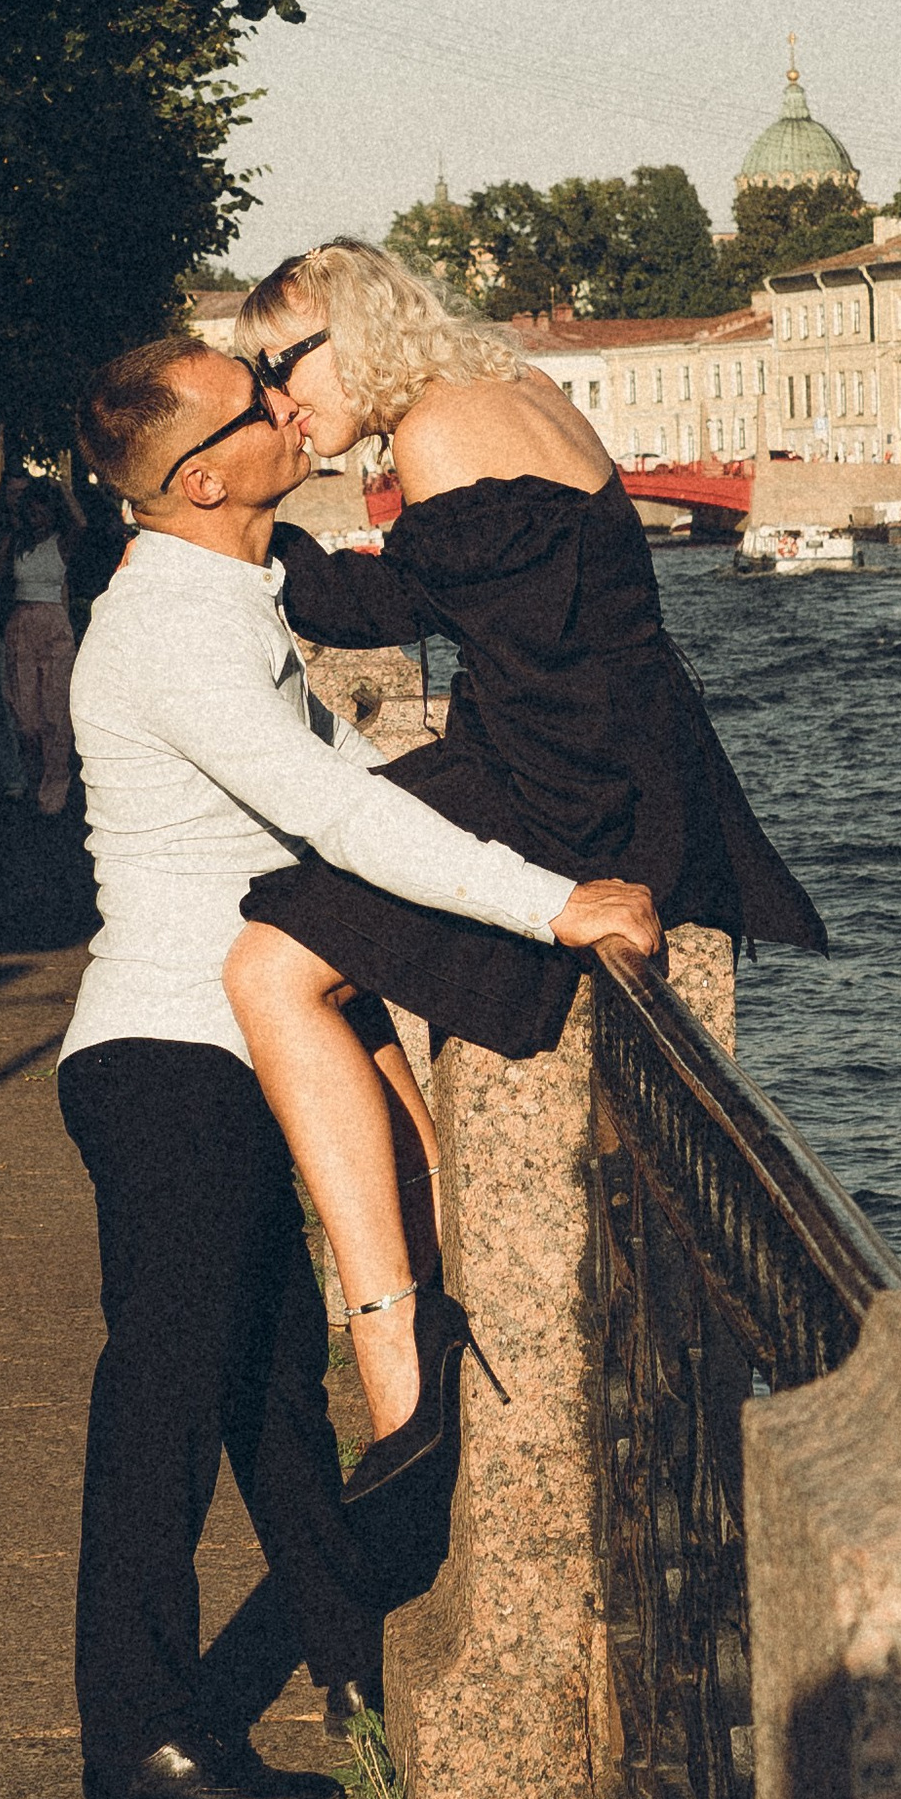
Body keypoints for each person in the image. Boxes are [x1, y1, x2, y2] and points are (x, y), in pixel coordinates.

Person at [58, 333, 660, 1799]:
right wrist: (554, 903)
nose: (285, 403)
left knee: (265, 1397)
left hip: (213, 1051)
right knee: (169, 1393)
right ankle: (134, 1735)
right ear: (206, 477)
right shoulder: (174, 632)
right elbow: (335, 814)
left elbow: (374, 785)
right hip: (169, 1058)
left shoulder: (223, 598)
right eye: (256, 401)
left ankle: (354, 1666)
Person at [225, 240, 825, 1499]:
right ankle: (427, 1259)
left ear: (349, 334)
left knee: (275, 963)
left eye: (277, 369)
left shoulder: (443, 429)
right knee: (310, 923)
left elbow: (373, 616)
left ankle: (402, 1340)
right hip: (601, 752)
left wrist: (231, 521)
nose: (278, 403)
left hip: (574, 783)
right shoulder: (507, 395)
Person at [0, 473, 79, 813]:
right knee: (25, 719)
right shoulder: (15, 544)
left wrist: (62, 488)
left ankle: (54, 791)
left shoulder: (61, 542)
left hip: (53, 628)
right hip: (21, 628)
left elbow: (80, 523)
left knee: (55, 714)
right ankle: (35, 778)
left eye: (42, 512)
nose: (36, 519)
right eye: (31, 513)